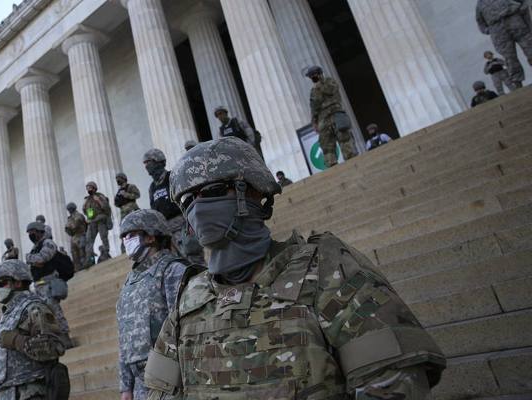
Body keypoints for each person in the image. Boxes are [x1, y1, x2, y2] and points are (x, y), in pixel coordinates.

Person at [144, 137, 445, 398]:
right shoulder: (191, 297)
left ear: (251, 192)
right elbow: (160, 392)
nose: (198, 208)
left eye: (210, 191)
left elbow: (393, 380)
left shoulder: (326, 269)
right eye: (188, 200)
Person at [116, 210, 188, 400]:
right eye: (123, 237)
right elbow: (124, 338)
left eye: (130, 235)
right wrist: (126, 387)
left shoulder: (173, 270)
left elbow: (186, 328)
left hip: (172, 378)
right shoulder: (129, 282)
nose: (126, 241)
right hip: (141, 384)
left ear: (150, 236)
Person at [0, 259, 68, 400]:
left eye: (1, 283)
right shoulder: (8, 314)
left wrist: (15, 340)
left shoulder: (34, 307)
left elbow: (54, 347)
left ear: (18, 282)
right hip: (8, 392)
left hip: (30, 391)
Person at [143, 148, 203, 265]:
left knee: (193, 257)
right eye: (145, 164)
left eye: (148, 162)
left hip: (182, 224)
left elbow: (187, 198)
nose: (147, 167)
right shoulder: (152, 187)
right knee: (178, 263)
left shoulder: (172, 177)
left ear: (158, 161)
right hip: (166, 230)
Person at [26, 222, 72, 347]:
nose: (30, 235)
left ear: (40, 231)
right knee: (43, 314)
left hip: (49, 283)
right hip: (39, 285)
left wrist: (29, 258)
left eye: (32, 232)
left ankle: (65, 336)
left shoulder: (48, 243)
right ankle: (54, 338)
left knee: (54, 310)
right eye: (29, 233)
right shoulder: (35, 248)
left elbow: (41, 259)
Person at [306, 65, 357, 168]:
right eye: (311, 76)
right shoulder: (313, 91)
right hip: (323, 120)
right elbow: (314, 108)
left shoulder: (329, 82)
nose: (312, 78)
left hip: (336, 114)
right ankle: (332, 165)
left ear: (319, 74)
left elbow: (331, 91)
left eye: (314, 75)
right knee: (326, 144)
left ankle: (353, 161)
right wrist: (314, 122)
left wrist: (320, 85)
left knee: (344, 138)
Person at [477, 0, 532, 90]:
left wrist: (521, 12)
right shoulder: (480, 3)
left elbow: (524, 3)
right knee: (510, 58)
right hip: (498, 31)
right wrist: (489, 30)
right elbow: (480, 22)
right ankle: (517, 83)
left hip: (515, 21)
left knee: (530, 49)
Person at [83, 181, 112, 266]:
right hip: (92, 222)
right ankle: (89, 258)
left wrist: (98, 200)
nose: (88, 189)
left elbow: (106, 207)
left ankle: (106, 252)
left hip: (100, 220)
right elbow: (85, 210)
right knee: (89, 240)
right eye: (87, 188)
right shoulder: (87, 200)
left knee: (104, 237)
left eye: (90, 187)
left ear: (94, 188)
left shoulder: (100, 196)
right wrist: (86, 208)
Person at [65, 202, 87, 271]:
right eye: (68, 209)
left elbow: (75, 226)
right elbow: (67, 228)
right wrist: (69, 228)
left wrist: (69, 227)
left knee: (82, 252)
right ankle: (78, 269)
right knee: (74, 255)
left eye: (70, 209)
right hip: (74, 237)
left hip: (81, 235)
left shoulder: (78, 215)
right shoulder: (70, 218)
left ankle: (85, 266)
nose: (69, 211)